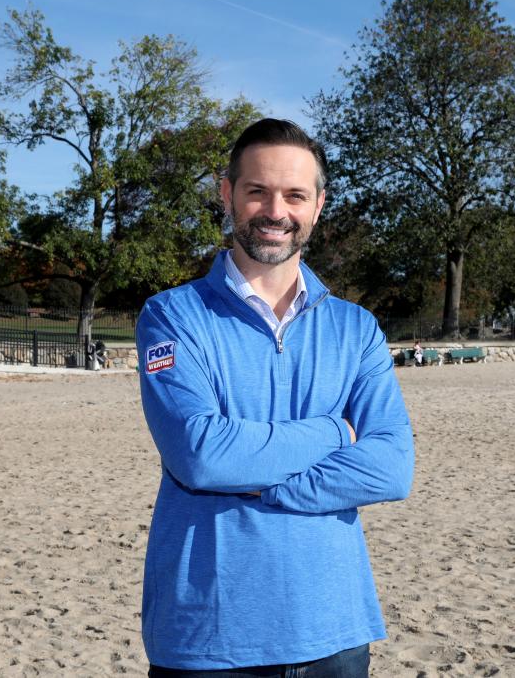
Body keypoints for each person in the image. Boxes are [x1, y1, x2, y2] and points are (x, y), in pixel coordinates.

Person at [135, 118, 415, 677]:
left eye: (294, 195)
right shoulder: (172, 315)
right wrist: (336, 433)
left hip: (334, 630)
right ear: (227, 194)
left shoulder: (356, 327)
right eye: (257, 190)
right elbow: (201, 454)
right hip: (207, 636)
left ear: (318, 205)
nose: (275, 211)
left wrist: (260, 481)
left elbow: (392, 466)